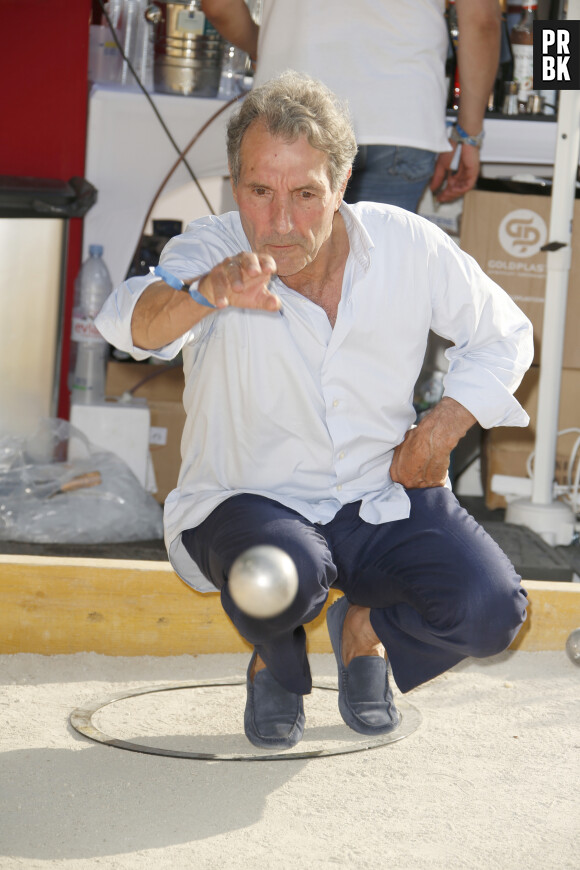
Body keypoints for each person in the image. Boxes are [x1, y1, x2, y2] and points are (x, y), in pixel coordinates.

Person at [96, 72, 533, 751]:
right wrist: (207, 294)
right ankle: (276, 655)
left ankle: (365, 629)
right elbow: (132, 322)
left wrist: (438, 429)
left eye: (306, 194)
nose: (281, 223)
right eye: (259, 192)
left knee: (491, 610)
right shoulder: (212, 250)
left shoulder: (405, 244)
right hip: (247, 502)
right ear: (234, 183)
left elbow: (505, 333)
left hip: (378, 495)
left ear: (343, 181)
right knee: (278, 578)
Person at [202, 0, 502, 211]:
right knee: (377, 282)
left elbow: (219, 6)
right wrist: (469, 134)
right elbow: (482, 22)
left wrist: (268, 46)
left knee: (286, 281)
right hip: (399, 114)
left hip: (290, 111)